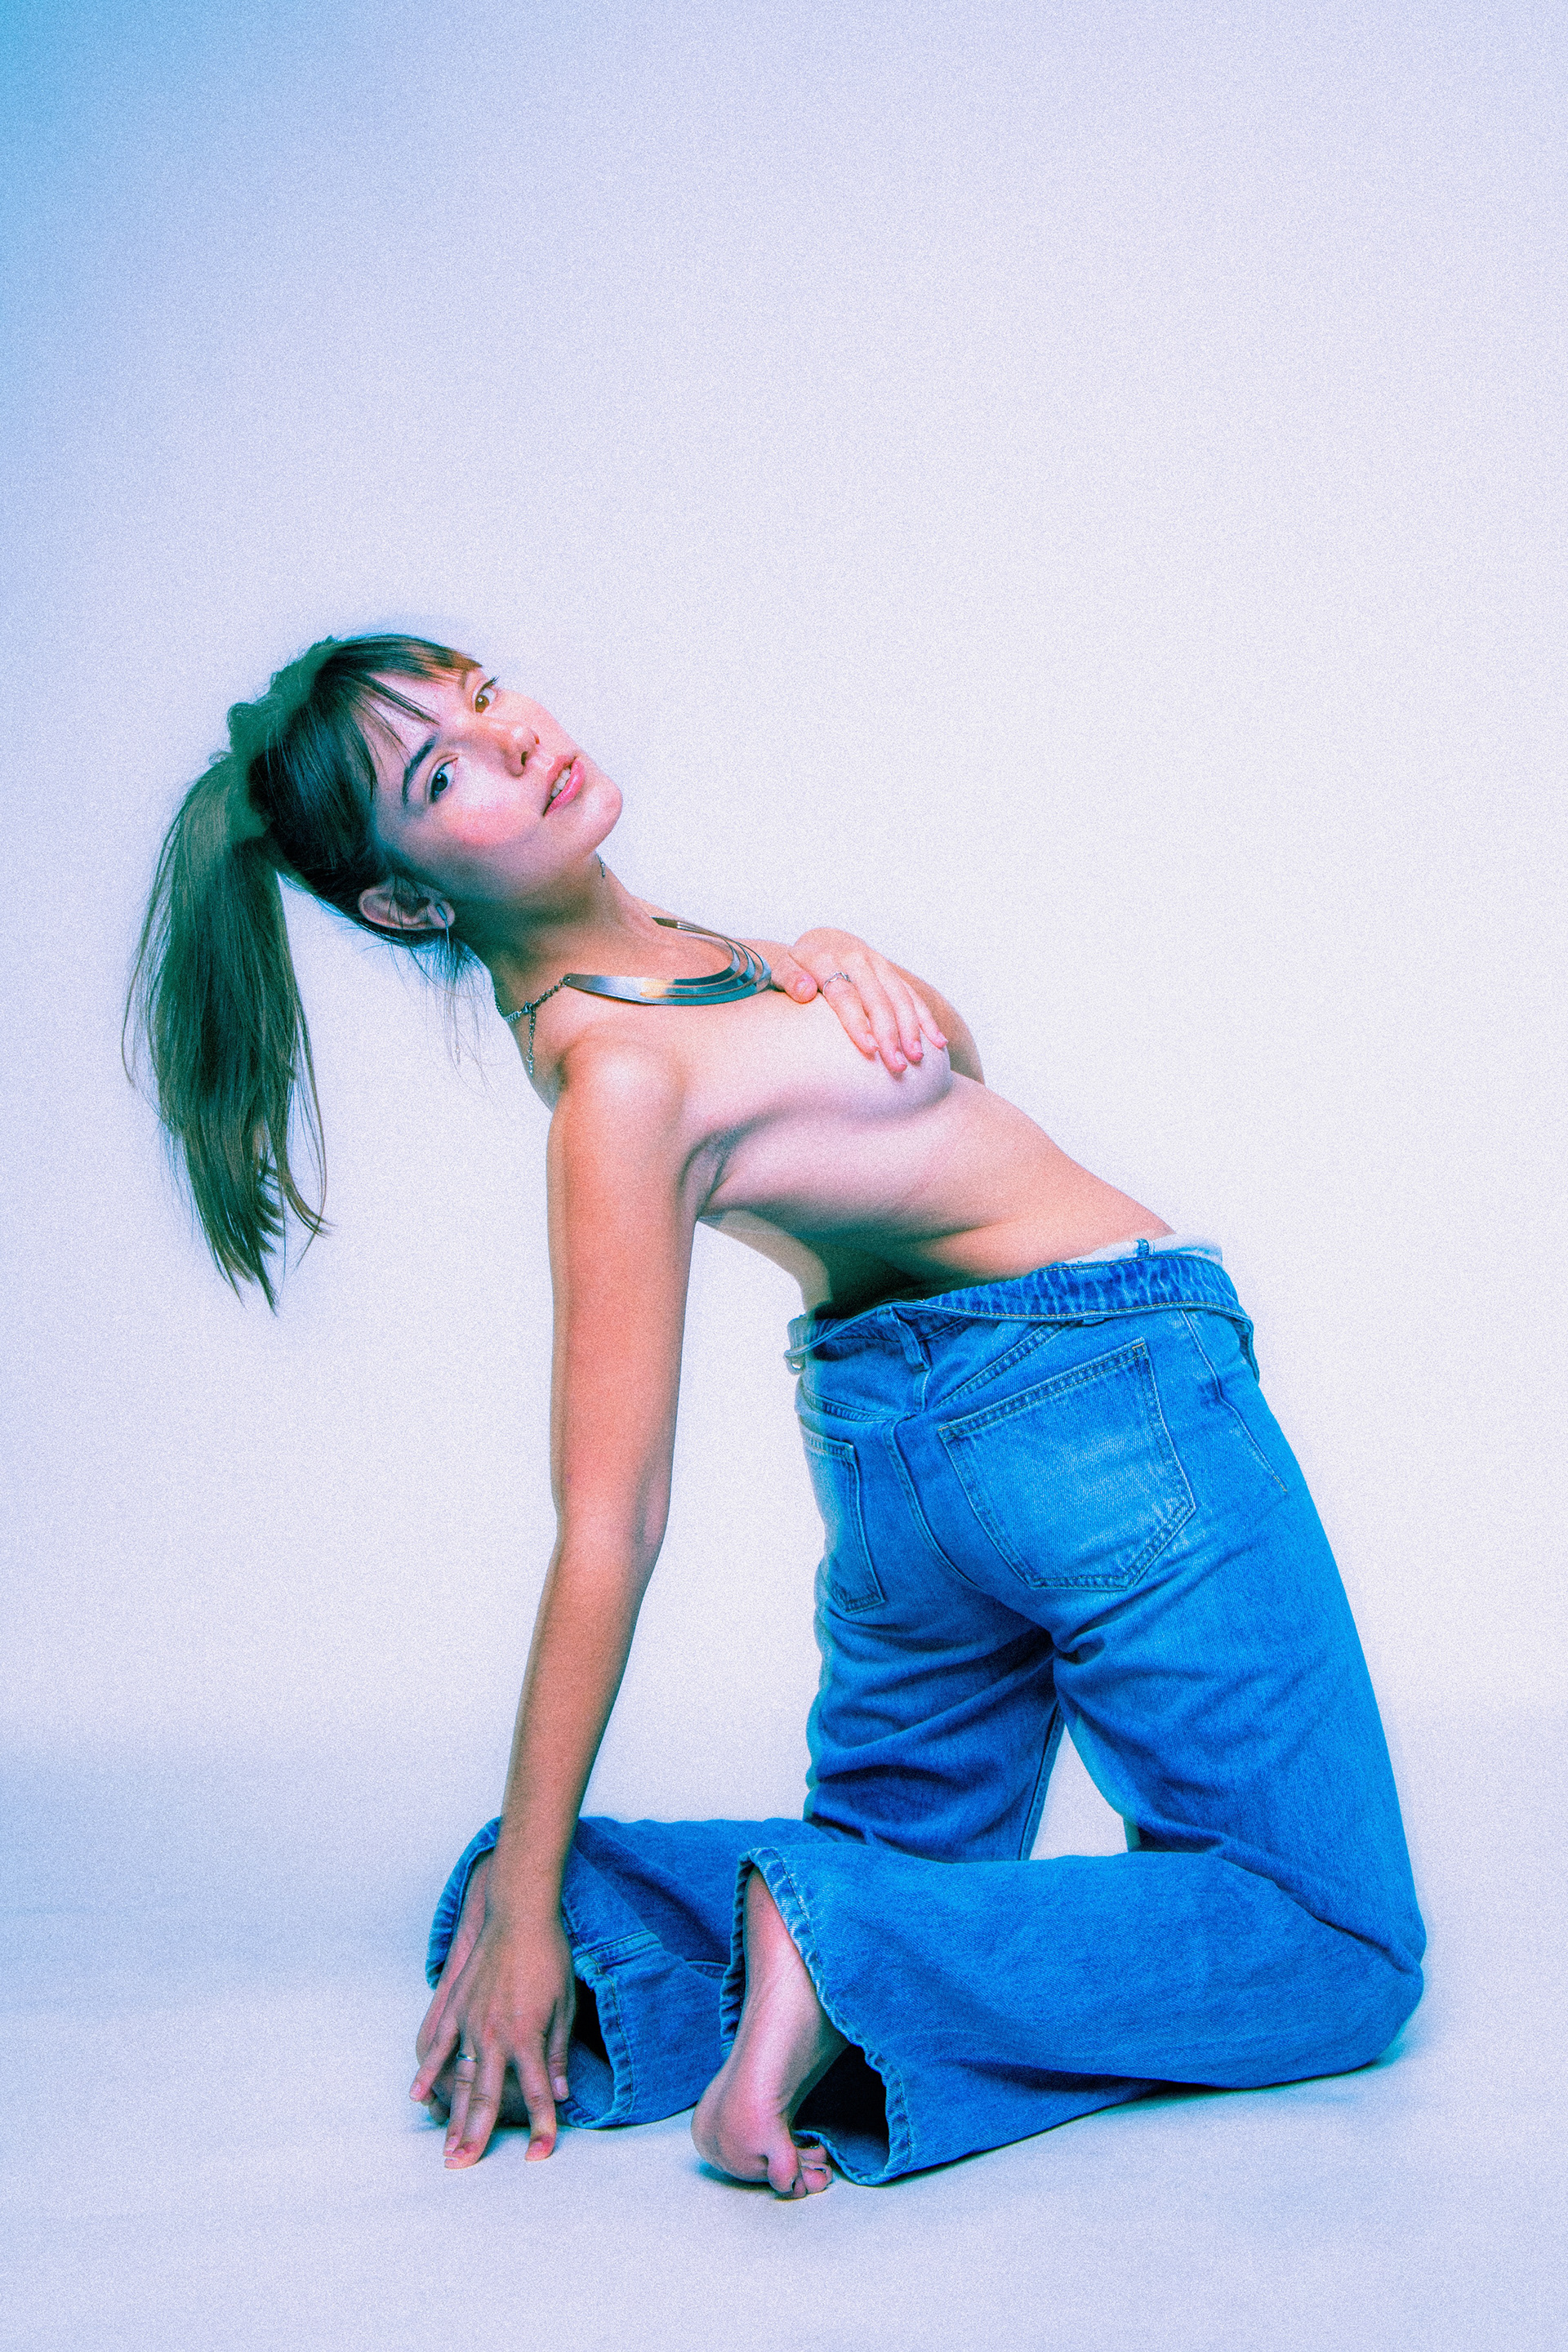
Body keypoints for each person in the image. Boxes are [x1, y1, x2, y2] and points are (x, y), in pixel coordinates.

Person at [129, 634, 1425, 2198]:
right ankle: (791, 1939)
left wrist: (849, 960)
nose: (513, 733)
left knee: (904, 1868)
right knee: (1336, 1943)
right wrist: (526, 1891)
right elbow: (608, 1519)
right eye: (443, 770)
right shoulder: (616, 1079)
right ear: (406, 902)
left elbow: (937, 1095)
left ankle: (664, 1932)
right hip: (1100, 1406)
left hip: (911, 1457)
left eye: (478, 692)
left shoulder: (661, 958)